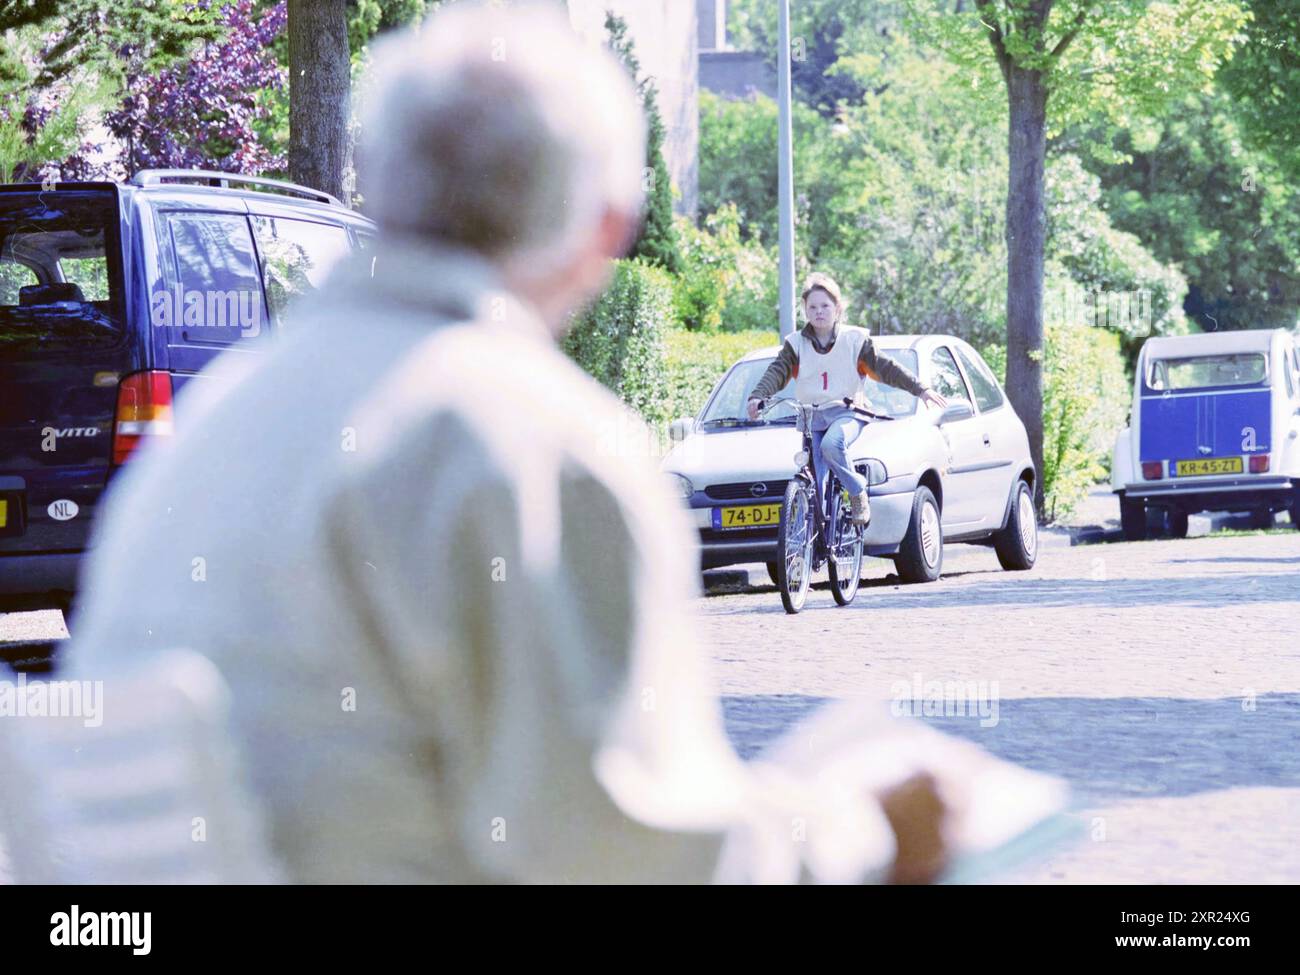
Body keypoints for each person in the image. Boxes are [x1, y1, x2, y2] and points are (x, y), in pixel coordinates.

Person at [59, 0, 952, 883]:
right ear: (603, 229)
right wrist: (858, 831)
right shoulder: (536, 443)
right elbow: (635, 854)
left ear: (382, 185)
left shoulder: (212, 420)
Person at [747, 274, 947, 524]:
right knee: (815, 486)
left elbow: (887, 368)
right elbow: (777, 371)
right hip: (812, 417)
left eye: (825, 306)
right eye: (812, 307)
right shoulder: (795, 344)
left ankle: (856, 490)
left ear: (837, 308)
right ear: (805, 311)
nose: (819, 312)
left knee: (831, 446)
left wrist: (921, 389)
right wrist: (758, 396)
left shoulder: (855, 340)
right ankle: (816, 541)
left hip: (848, 412)